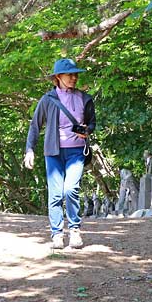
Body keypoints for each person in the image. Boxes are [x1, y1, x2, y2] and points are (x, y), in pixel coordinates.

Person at [23, 58, 96, 249]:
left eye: (75, 74)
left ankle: (74, 230)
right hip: (53, 152)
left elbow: (92, 124)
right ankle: (56, 234)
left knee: (70, 189)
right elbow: (35, 125)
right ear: (58, 77)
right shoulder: (48, 99)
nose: (74, 78)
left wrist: (86, 130)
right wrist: (29, 149)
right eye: (69, 74)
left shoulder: (85, 98)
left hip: (76, 151)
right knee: (55, 194)